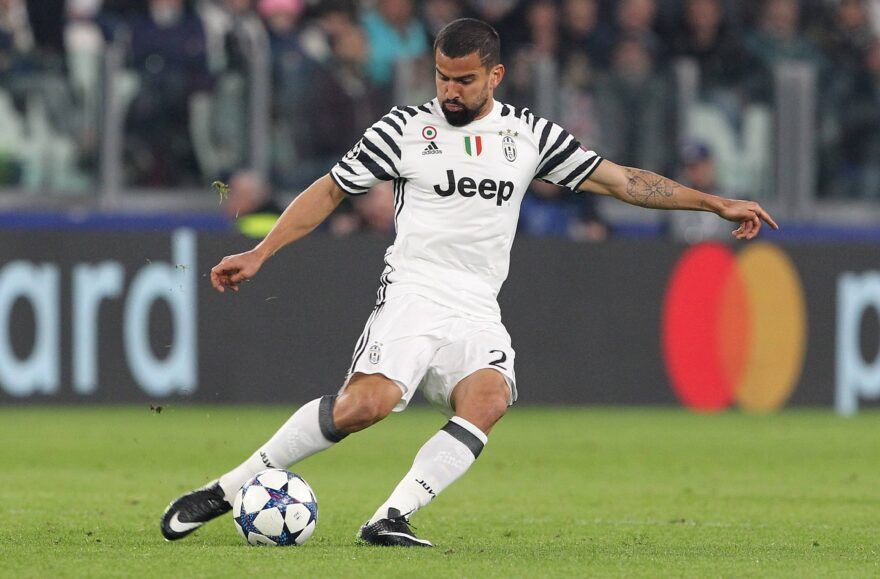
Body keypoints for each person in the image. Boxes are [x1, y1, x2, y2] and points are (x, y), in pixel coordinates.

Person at [160, 18, 777, 547]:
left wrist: (713, 203)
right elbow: (330, 189)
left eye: (463, 80)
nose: (450, 91)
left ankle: (389, 517)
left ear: (495, 76)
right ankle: (226, 489)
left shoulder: (526, 136)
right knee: (363, 407)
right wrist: (264, 251)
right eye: (441, 77)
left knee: (489, 399)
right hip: (414, 289)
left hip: (477, 302)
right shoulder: (403, 130)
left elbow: (621, 182)